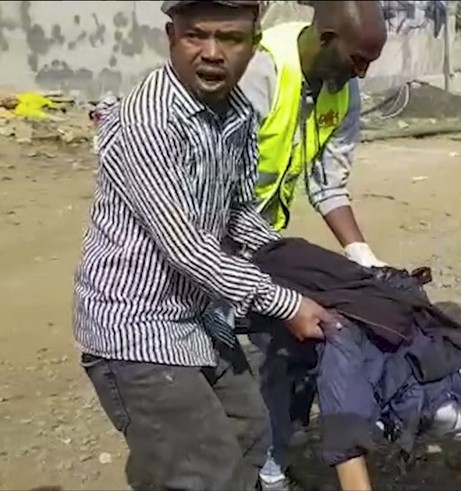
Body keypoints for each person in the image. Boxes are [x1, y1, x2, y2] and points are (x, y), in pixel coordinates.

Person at [72, 1, 338, 489]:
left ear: (253, 45)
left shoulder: (238, 111)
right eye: (197, 36)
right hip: (135, 328)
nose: (213, 53)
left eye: (231, 39)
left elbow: (239, 214)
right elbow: (190, 249)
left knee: (249, 433)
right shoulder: (149, 121)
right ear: (171, 36)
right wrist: (285, 301)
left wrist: (305, 266)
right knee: (206, 470)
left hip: (197, 318)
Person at [234, 2, 388, 489]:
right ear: (325, 39)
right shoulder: (260, 70)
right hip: (214, 233)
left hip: (265, 241)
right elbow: (215, 179)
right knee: (245, 360)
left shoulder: (343, 91)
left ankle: (271, 466)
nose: (361, 72)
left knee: (285, 353)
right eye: (357, 59)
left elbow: (327, 185)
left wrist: (360, 253)